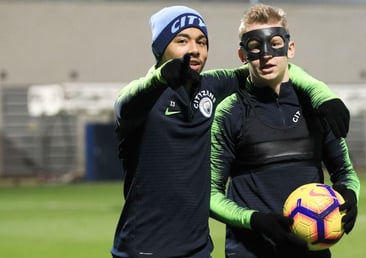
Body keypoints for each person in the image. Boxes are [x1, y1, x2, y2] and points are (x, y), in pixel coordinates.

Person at [111, 5, 350, 258]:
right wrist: (159, 78)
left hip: (199, 250)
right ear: (160, 48)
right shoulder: (139, 98)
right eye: (182, 40)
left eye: (201, 42)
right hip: (143, 249)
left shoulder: (210, 86)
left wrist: (322, 96)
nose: (194, 49)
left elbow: (274, 67)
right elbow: (127, 102)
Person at [209, 4, 360, 258]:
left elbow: (345, 172)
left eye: (275, 43)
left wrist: (351, 196)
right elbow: (210, 194)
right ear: (242, 55)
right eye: (255, 47)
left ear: (290, 48)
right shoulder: (229, 112)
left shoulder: (317, 107)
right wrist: (255, 220)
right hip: (249, 253)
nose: (266, 55)